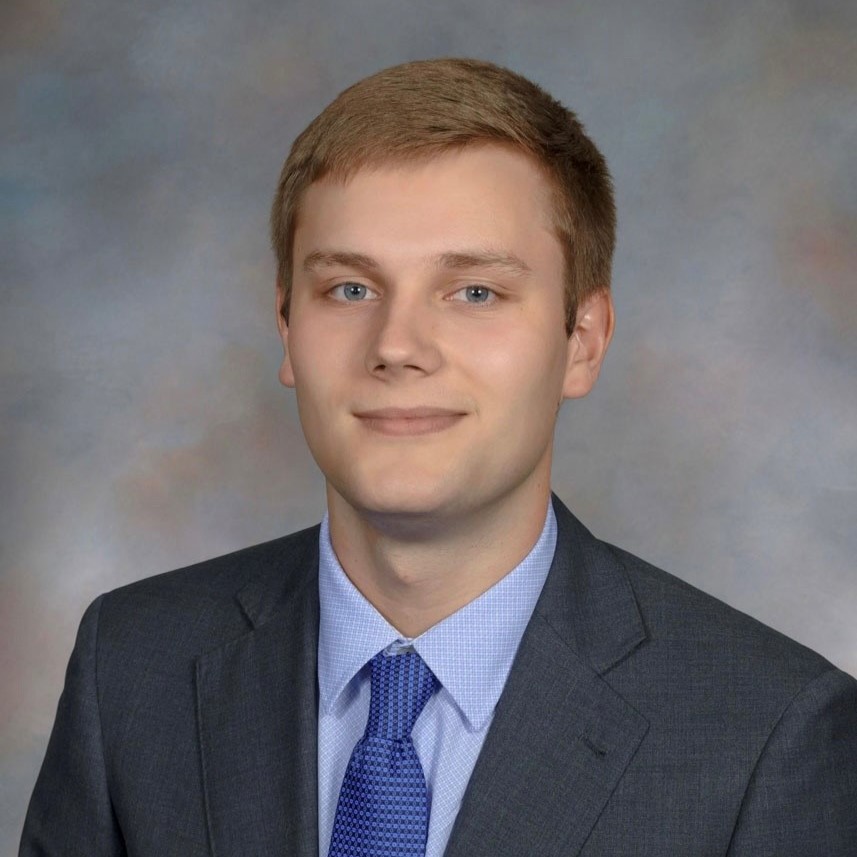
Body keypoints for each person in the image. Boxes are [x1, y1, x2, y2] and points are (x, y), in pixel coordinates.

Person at [20, 58, 857, 857]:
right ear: (287, 328)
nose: (397, 345)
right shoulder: (130, 666)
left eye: (474, 292)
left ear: (582, 340)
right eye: (349, 288)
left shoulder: (767, 733)